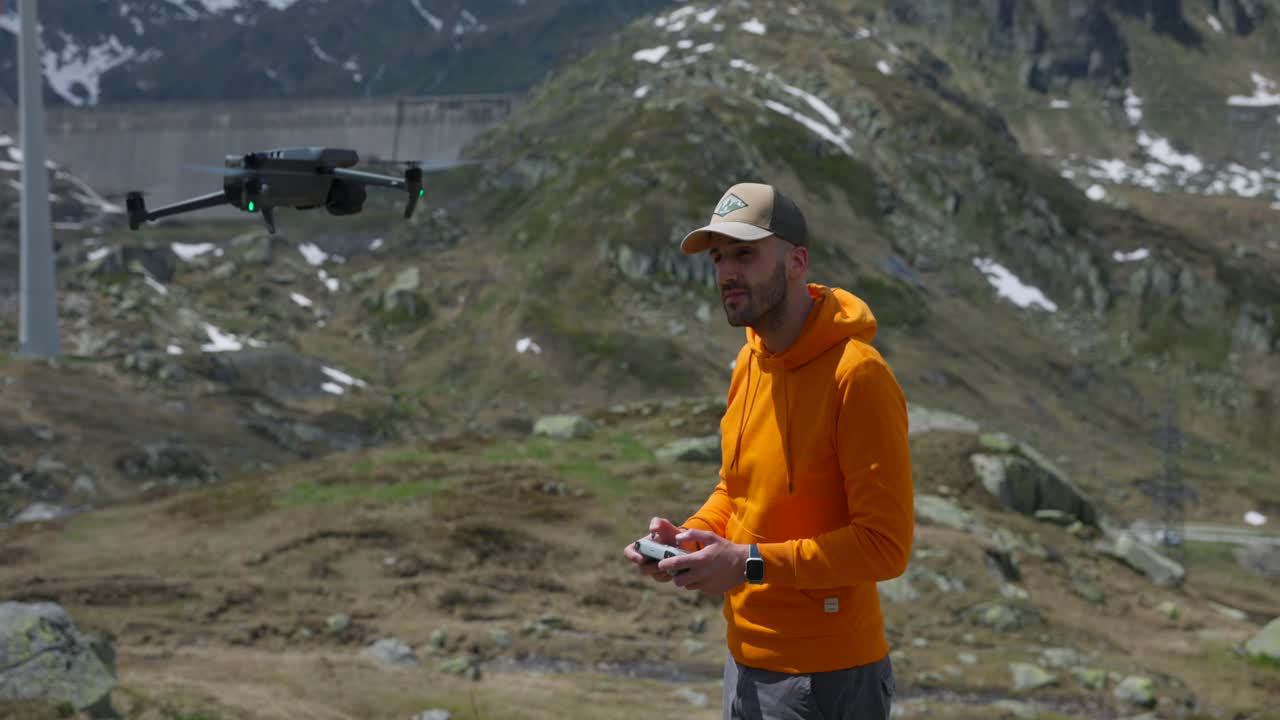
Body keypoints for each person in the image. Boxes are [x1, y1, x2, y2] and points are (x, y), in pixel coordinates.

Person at [622, 182, 914, 719]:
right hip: (745, 665)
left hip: (829, 679)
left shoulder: (858, 376)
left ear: (797, 261)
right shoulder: (749, 363)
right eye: (719, 258)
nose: (727, 274)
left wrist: (749, 565)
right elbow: (736, 492)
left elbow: (885, 547)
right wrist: (690, 542)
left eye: (745, 253)